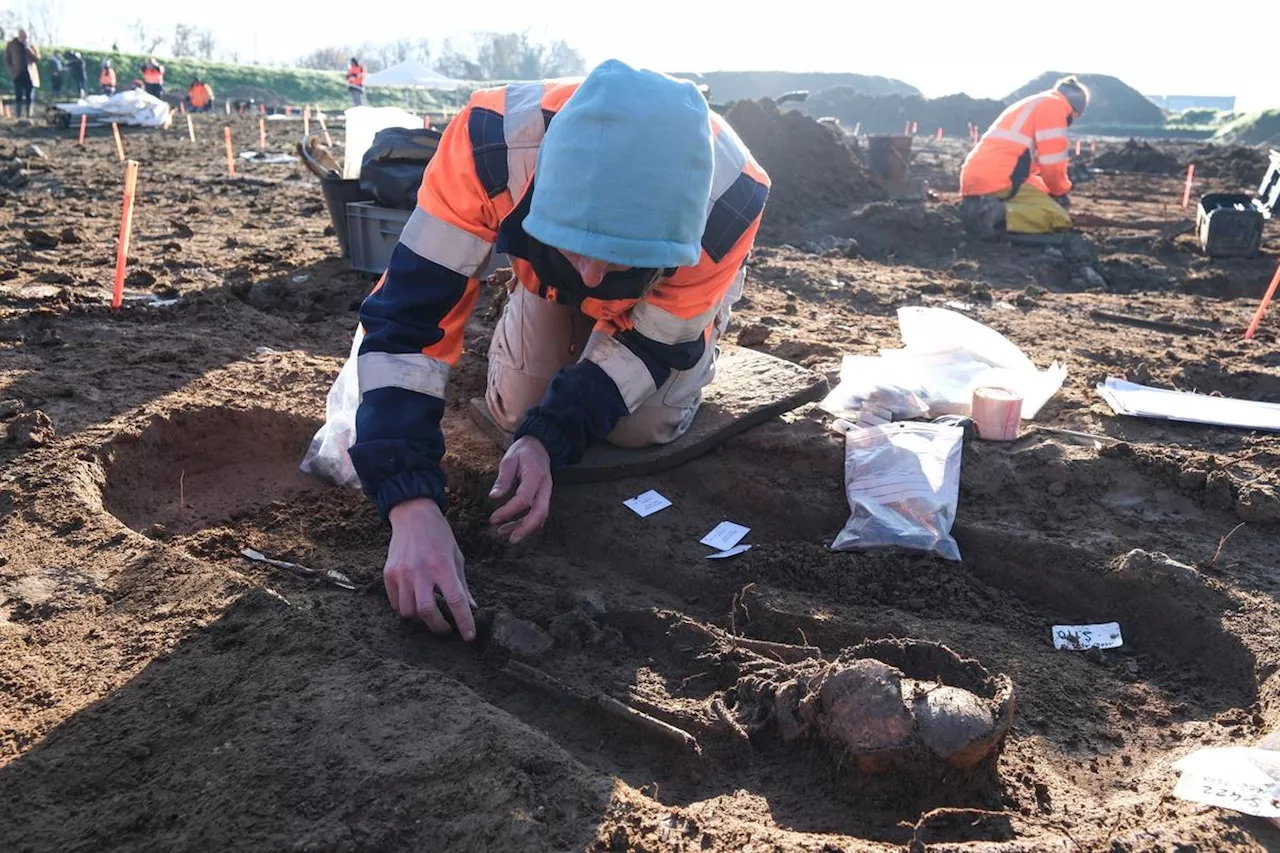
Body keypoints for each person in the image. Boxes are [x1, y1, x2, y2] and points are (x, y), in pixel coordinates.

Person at [348, 60, 769, 640]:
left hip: (660, 304)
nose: (593, 273)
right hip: (540, 271)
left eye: (617, 255)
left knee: (639, 426)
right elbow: (406, 325)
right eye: (579, 243)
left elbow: (650, 343)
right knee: (518, 406)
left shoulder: (730, 203)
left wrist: (551, 438)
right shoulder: (487, 147)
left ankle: (704, 320)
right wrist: (409, 501)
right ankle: (548, 290)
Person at [958, 76, 1090, 237]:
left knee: (1040, 191)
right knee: (1058, 217)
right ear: (1074, 110)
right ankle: (996, 214)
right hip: (999, 180)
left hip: (976, 177)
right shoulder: (1055, 108)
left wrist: (1048, 190)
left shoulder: (1034, 103)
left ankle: (979, 206)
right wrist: (1060, 191)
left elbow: (1026, 170)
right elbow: (1053, 164)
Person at [4, 29, 40, 118]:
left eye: (25, 36)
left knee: (29, 96)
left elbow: (37, 58)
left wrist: (27, 48)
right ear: (18, 35)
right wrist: (11, 71)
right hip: (17, 74)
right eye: (22, 36)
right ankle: (18, 115)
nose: (23, 38)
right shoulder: (11, 45)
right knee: (18, 95)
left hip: (29, 74)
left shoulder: (31, 44)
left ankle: (29, 114)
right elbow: (7, 59)